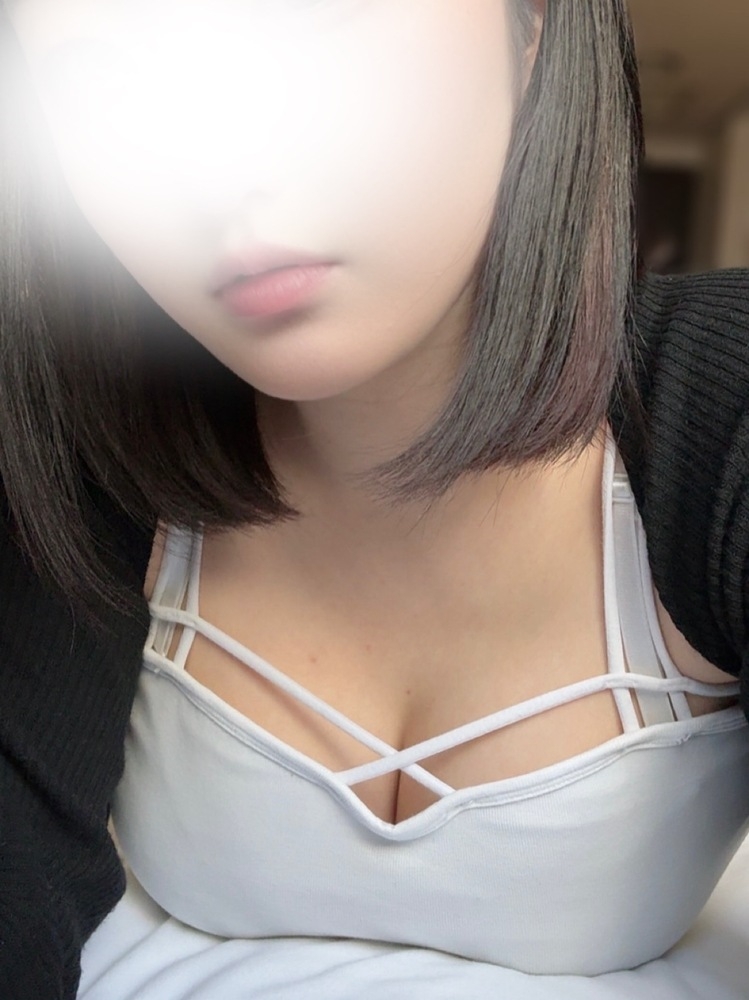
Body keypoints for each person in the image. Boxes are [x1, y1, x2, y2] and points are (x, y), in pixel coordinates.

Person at [1, 0, 748, 996]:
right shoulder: (70, 444)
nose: (219, 172)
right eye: (99, 80)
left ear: (529, 28)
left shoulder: (722, 397)